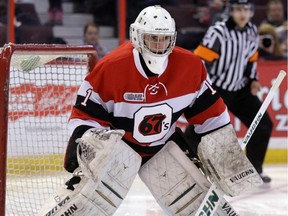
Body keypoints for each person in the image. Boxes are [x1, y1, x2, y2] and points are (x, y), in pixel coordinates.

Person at [38, 5, 262, 216]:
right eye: (152, 38)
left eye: (164, 38)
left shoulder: (190, 66)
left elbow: (212, 117)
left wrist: (225, 154)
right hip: (118, 149)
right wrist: (87, 145)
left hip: (163, 148)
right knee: (83, 206)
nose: (159, 44)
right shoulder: (112, 67)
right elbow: (85, 115)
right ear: (137, 36)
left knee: (201, 207)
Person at [193, 0, 273, 183]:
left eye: (246, 9)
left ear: (251, 11)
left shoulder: (252, 30)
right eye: (238, 9)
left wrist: (253, 79)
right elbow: (200, 60)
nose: (242, 13)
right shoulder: (218, 31)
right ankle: (191, 165)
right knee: (200, 130)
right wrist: (207, 87)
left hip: (240, 88)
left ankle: (255, 169)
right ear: (231, 11)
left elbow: (252, 58)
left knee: (263, 125)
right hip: (218, 88)